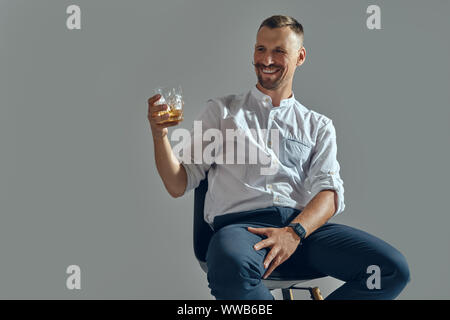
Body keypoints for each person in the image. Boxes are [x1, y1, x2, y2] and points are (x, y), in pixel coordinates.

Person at [147, 15, 410, 300]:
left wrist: (294, 232)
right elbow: (177, 184)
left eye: (279, 51)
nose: (267, 59)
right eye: (261, 49)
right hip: (242, 233)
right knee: (231, 264)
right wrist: (159, 135)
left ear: (300, 56)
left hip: (302, 233)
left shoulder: (317, 125)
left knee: (390, 269)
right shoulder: (221, 112)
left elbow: (329, 193)